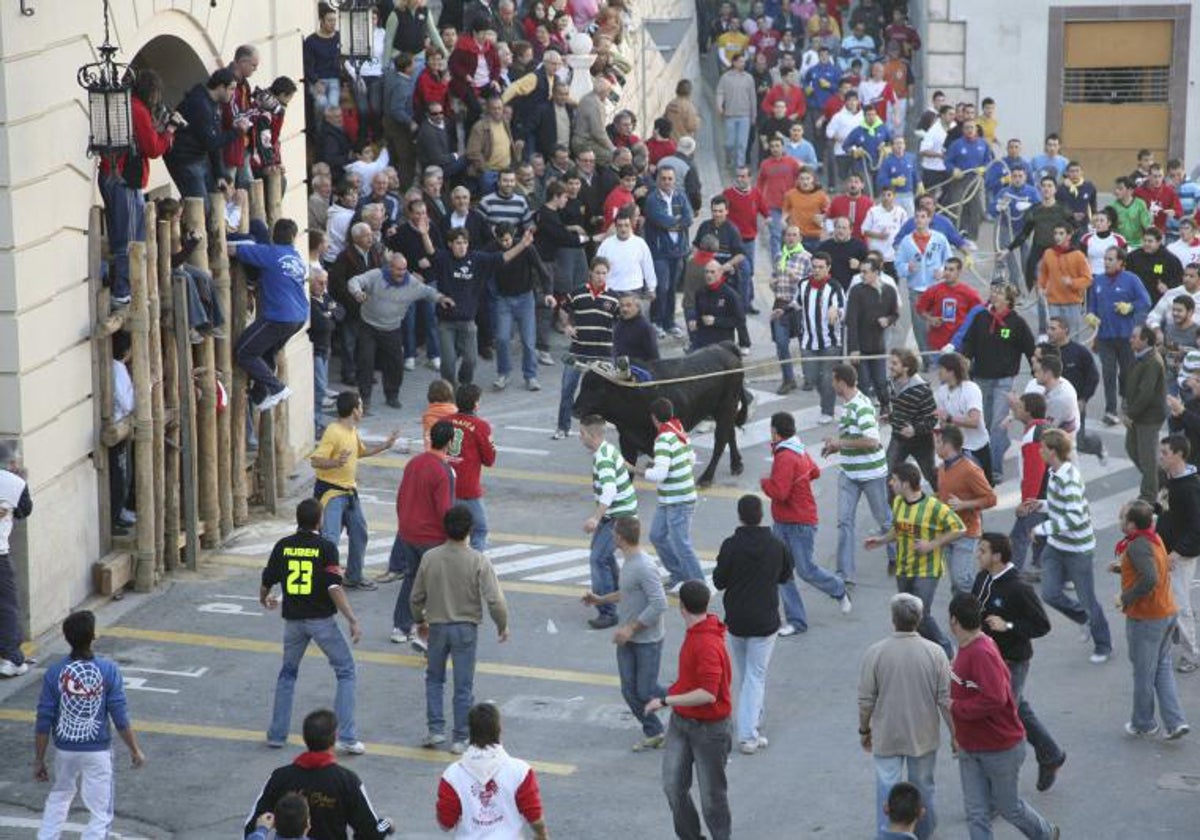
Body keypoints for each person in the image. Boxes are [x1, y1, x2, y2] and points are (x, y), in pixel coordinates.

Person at [947, 594, 1060, 840]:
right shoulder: (966, 648)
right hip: (970, 745)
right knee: (976, 812)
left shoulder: (981, 652)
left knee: (1009, 808)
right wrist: (957, 733)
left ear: (953, 620)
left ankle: (1045, 833)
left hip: (999, 747)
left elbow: (995, 698)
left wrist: (957, 708)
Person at [260, 498, 364, 753]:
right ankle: (347, 736)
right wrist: (351, 618)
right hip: (321, 621)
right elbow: (333, 586)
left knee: (287, 674)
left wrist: (264, 598)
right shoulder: (326, 548)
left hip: (293, 621)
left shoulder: (283, 546)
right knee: (346, 670)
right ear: (319, 520)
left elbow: (268, 579)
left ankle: (277, 734)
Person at [34, 610, 145, 838]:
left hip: (65, 749)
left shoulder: (54, 673)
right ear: (93, 636)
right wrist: (134, 749)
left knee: (60, 795)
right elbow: (119, 716)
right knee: (100, 812)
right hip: (97, 751)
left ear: (66, 638)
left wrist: (39, 759)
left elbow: (44, 719)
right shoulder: (108, 670)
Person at [970, 533, 1067, 793]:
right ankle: (1051, 754)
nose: (977, 555)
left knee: (1000, 717)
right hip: (987, 660)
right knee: (1017, 708)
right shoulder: (982, 578)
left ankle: (998, 786)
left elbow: (1042, 625)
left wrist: (1008, 625)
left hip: (1013, 661)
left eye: (982, 551)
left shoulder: (1018, 588)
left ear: (998, 557)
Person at [411, 505, 508, 753]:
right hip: (465, 628)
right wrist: (502, 625)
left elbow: (415, 597)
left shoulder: (430, 557)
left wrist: (419, 620)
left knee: (434, 679)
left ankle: (435, 730)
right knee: (463, 685)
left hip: (437, 627)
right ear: (470, 530)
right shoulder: (478, 560)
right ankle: (461, 737)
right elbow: (495, 600)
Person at [858, 593, 953, 840]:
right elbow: (945, 700)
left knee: (885, 790)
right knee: (924, 790)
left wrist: (864, 730)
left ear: (893, 619)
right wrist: (956, 734)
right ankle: (922, 835)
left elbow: (866, 700)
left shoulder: (875, 653)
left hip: (887, 735)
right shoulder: (935, 653)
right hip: (922, 735)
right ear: (920, 619)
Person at [645, 581, 733, 840]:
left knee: (712, 798)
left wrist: (665, 701)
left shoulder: (706, 643)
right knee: (673, 786)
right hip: (683, 723)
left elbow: (708, 694)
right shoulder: (698, 631)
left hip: (710, 730)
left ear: (681, 607)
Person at [713, 494, 792, 755]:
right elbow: (785, 575)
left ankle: (753, 723)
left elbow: (719, 581)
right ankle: (748, 733)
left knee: (747, 674)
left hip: (736, 619)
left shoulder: (730, 545)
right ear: (762, 515)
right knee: (755, 676)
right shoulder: (776, 545)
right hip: (766, 620)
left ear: (740, 516)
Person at [582, 516, 669, 751]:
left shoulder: (644, 566)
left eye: (613, 533)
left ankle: (684, 697)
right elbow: (627, 592)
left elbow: (660, 604)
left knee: (645, 690)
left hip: (647, 641)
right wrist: (600, 599)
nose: (611, 536)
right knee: (629, 690)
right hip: (627, 639)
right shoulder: (629, 562)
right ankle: (654, 730)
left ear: (620, 537)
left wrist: (631, 627)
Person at [763, 411, 852, 635]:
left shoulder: (785, 456)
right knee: (783, 572)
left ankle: (838, 588)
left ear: (775, 431)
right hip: (790, 520)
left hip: (796, 522)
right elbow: (814, 472)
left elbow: (780, 492)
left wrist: (766, 483)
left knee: (805, 570)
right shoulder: (797, 448)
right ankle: (796, 621)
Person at [1108, 500, 1191, 740]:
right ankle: (1175, 722)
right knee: (1161, 668)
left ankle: (1143, 723)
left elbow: (1149, 579)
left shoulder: (1137, 546)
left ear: (1132, 524)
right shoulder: (1154, 539)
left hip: (1148, 618)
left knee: (1144, 673)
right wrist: (1121, 569)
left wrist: (1125, 598)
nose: (1120, 521)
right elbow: (1155, 568)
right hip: (1165, 613)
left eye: (1123, 517)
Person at [246, 709, 391, 840]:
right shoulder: (347, 781)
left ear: (305, 738)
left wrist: (261, 831)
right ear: (334, 738)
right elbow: (370, 832)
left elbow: (252, 825)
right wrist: (387, 824)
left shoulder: (280, 777)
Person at [1031, 429, 1113, 663]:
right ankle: (1083, 618)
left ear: (1053, 451)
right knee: (1050, 593)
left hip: (1077, 549)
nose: (1040, 451)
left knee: (1088, 598)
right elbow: (1061, 506)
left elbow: (1075, 516)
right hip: (1057, 546)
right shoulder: (1054, 472)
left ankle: (1103, 645)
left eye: (1043, 448)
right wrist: (1041, 505)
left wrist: (1041, 529)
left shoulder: (1069, 477)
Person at [865, 463, 963, 658]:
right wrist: (882, 540)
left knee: (920, 613)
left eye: (894, 480)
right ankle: (920, 651)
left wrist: (932, 544)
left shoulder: (934, 507)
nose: (890, 483)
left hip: (927, 570)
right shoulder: (899, 502)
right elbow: (898, 528)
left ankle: (946, 651)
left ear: (906, 483)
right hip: (903, 569)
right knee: (907, 616)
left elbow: (959, 528)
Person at [99, 69, 177, 309]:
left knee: (120, 234)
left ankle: (120, 287)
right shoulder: (138, 110)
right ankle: (123, 291)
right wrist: (169, 132)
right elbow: (153, 148)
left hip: (110, 174)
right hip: (126, 180)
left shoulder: (123, 105)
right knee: (131, 238)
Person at [311, 392, 399, 591]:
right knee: (330, 539)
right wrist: (335, 462)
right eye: (360, 406)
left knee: (359, 533)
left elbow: (361, 451)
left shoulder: (352, 431)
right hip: (331, 493)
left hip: (349, 492)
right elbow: (316, 460)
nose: (362, 409)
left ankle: (354, 576)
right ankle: (323, 581)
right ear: (353, 410)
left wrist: (385, 445)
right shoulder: (334, 431)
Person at [349, 251, 454, 411]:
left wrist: (441, 298)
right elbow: (355, 280)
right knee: (365, 362)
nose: (402, 273)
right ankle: (365, 398)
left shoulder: (411, 283)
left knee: (396, 364)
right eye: (398, 269)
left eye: (404, 269)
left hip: (392, 328)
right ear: (389, 267)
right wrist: (357, 292)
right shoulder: (376, 275)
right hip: (368, 326)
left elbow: (427, 291)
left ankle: (392, 395)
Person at [228, 218, 310, 409]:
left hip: (278, 317)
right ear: (293, 238)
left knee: (243, 352)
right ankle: (260, 396)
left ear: (274, 235)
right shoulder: (297, 258)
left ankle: (276, 387)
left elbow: (233, 251)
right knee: (266, 352)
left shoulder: (269, 254)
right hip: (299, 316)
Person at [958, 284, 1035, 482]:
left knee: (997, 426)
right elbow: (969, 341)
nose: (993, 294)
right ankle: (995, 449)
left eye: (999, 293)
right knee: (983, 424)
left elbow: (1030, 348)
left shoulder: (1016, 323)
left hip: (1003, 381)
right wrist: (965, 357)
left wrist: (1037, 375)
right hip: (981, 379)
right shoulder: (981, 318)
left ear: (1008, 299)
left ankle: (994, 469)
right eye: (993, 291)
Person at [825, 364, 893, 586]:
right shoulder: (849, 403)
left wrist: (840, 443)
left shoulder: (860, 407)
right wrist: (837, 447)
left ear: (841, 383)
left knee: (883, 518)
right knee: (844, 522)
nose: (832, 384)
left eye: (833, 380)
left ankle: (896, 555)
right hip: (849, 473)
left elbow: (873, 440)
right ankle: (845, 573)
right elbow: (853, 437)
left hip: (871, 474)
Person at [436, 702, 548, 838]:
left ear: (470, 731)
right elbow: (535, 818)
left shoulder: (452, 775)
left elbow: (445, 824)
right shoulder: (520, 771)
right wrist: (542, 835)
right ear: (499, 729)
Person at [392, 421, 456, 648]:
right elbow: (445, 510)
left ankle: (400, 627)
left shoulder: (414, 463)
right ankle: (425, 634)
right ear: (450, 442)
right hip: (431, 537)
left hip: (408, 532)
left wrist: (403, 525)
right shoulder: (443, 471)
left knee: (411, 578)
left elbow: (400, 497)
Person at [638, 398, 703, 587]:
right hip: (671, 497)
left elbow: (659, 473)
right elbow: (691, 458)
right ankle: (679, 574)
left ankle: (699, 585)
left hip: (678, 499)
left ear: (653, 418)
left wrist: (638, 471)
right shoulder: (677, 428)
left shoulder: (663, 439)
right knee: (657, 535)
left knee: (682, 544)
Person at [553, 258, 619, 440]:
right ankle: (562, 427)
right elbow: (563, 309)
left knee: (607, 391)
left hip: (603, 353)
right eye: (597, 273)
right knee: (567, 389)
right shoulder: (578, 293)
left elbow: (621, 322)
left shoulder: (613, 298)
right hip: (578, 352)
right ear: (590, 273)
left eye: (604, 273)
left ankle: (603, 426)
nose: (600, 277)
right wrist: (567, 326)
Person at [1088, 246, 1152, 426]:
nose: (1106, 262)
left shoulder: (1131, 280)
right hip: (1105, 337)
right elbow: (1091, 305)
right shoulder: (1098, 281)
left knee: (1126, 373)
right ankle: (1110, 409)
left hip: (1126, 337)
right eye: (1105, 259)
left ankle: (1126, 400)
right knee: (1108, 373)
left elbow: (1145, 301)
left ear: (1121, 263)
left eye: (1110, 259)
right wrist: (1091, 315)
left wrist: (1130, 307)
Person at [165, 68, 249, 202]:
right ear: (221, 87)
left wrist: (219, 174)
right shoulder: (200, 105)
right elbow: (211, 142)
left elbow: (214, 141)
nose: (233, 94)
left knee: (216, 200)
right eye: (232, 89)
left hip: (199, 157)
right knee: (201, 207)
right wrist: (237, 131)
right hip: (185, 160)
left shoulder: (212, 103)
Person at [935, 426, 996, 595]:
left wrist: (964, 504)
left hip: (967, 532)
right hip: (948, 532)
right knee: (956, 581)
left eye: (938, 443)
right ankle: (962, 616)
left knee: (962, 579)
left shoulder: (970, 469)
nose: (935, 446)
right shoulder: (941, 468)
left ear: (947, 446)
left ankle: (983, 606)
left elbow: (991, 499)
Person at [1157, 435, 1200, 674]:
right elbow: (1162, 506)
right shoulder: (1168, 478)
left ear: (1179, 455)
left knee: (1180, 604)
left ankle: (1190, 654)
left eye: (1165, 453)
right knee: (1168, 598)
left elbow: (1197, 528)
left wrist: (1177, 552)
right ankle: (1173, 634)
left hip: (1179, 556)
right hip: (1164, 551)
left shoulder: (1190, 487)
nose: (1160, 457)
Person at [446, 384, 496, 551]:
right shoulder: (481, 426)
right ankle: (474, 568)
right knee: (480, 529)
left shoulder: (444, 421)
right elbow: (489, 460)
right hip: (468, 488)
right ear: (475, 404)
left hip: (445, 485)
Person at [845, 257, 899, 411]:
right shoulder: (857, 291)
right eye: (861, 271)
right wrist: (853, 348)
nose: (862, 275)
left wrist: (887, 320)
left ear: (876, 273)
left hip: (878, 345)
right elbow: (851, 321)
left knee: (881, 381)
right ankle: (864, 411)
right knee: (863, 382)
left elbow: (895, 313)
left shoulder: (889, 290)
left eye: (865, 272)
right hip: (861, 347)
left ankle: (885, 407)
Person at [797, 253, 846, 421]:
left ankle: (827, 411)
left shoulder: (835, 287)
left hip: (830, 342)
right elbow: (796, 303)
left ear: (828, 268)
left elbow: (842, 308)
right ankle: (827, 397)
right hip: (808, 341)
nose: (816, 270)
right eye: (814, 267)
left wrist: (836, 311)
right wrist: (781, 309)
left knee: (827, 378)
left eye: (820, 267)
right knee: (810, 377)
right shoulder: (803, 285)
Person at [1124, 325, 1167, 502]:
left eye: (1134, 337)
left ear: (1145, 340)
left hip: (1148, 417)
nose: (1130, 339)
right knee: (1132, 449)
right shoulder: (1140, 357)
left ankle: (1148, 495)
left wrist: (1130, 414)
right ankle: (1161, 480)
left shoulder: (1152, 361)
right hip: (1138, 414)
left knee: (1147, 457)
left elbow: (1146, 393)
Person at [886, 348, 939, 491]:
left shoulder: (922, 389)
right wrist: (891, 417)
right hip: (898, 438)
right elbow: (900, 409)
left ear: (906, 367)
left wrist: (915, 429)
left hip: (921, 441)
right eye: (891, 362)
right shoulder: (892, 382)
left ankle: (944, 503)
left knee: (930, 474)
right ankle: (893, 511)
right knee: (889, 476)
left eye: (895, 363)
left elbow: (932, 418)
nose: (890, 366)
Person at [0, 440, 32, 677]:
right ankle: (12, 657)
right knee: (7, 606)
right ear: (11, 463)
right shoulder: (14, 483)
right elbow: (25, 510)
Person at [1009, 393, 1050, 575]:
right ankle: (1044, 568)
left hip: (1038, 498)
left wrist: (1026, 503)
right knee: (1042, 535)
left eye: (1019, 406)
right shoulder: (1044, 428)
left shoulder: (1033, 436)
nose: (1015, 409)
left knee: (1019, 537)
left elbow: (1035, 473)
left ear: (1028, 411)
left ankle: (1011, 576)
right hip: (1048, 495)